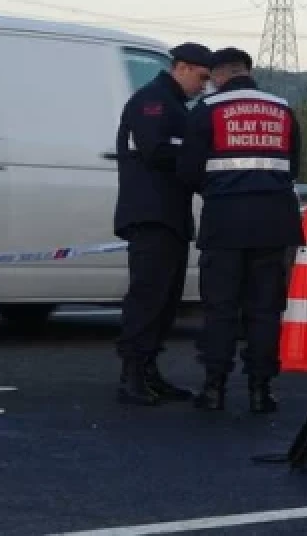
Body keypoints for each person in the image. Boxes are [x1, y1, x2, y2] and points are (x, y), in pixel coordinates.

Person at [178, 47, 304, 413]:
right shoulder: (282, 108)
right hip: (275, 221)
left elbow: (188, 171)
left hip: (225, 221)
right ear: (248, 71)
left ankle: (214, 389)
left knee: (220, 308)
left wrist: (219, 190)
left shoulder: (208, 110)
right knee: (265, 309)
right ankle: (261, 391)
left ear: (218, 75)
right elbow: (292, 167)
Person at [113, 42, 213, 406]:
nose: (203, 86)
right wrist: (197, 157)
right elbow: (156, 150)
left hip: (169, 214)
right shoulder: (153, 101)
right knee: (148, 297)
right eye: (201, 77)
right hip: (151, 214)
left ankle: (150, 371)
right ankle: (132, 375)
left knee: (166, 300)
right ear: (182, 68)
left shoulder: (174, 105)